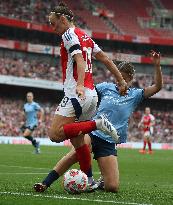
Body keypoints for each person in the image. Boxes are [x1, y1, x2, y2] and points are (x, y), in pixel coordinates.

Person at [34, 50, 162, 192]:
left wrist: (157, 66)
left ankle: (99, 182)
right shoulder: (105, 87)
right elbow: (88, 94)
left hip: (109, 141)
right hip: (93, 132)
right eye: (117, 77)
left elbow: (157, 87)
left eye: (124, 78)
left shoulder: (136, 95)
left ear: (131, 78)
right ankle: (45, 183)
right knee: (75, 154)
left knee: (112, 187)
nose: (120, 81)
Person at [46, 1, 127, 188]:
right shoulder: (85, 37)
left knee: (54, 135)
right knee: (79, 142)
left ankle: (98, 124)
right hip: (92, 96)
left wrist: (80, 85)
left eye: (53, 23)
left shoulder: (68, 34)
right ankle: (89, 181)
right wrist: (121, 81)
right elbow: (105, 58)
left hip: (77, 92)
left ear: (63, 19)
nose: (52, 27)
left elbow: (79, 60)